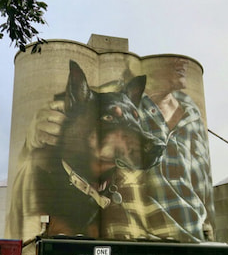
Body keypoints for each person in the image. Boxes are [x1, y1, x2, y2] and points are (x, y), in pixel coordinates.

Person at [20, 60, 215, 243]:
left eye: (135, 119)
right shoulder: (51, 187)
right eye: (110, 118)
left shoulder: (190, 111)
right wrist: (32, 135)